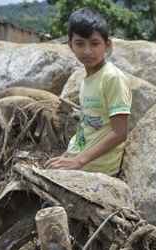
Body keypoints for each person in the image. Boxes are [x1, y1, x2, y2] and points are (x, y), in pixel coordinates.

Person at [46, 8, 132, 176]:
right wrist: (68, 156)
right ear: (70, 45)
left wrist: (78, 161)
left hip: (98, 168)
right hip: (79, 159)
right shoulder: (87, 79)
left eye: (94, 43)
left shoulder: (112, 78)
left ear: (107, 45)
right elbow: (87, 125)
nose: (87, 51)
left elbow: (120, 132)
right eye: (80, 43)